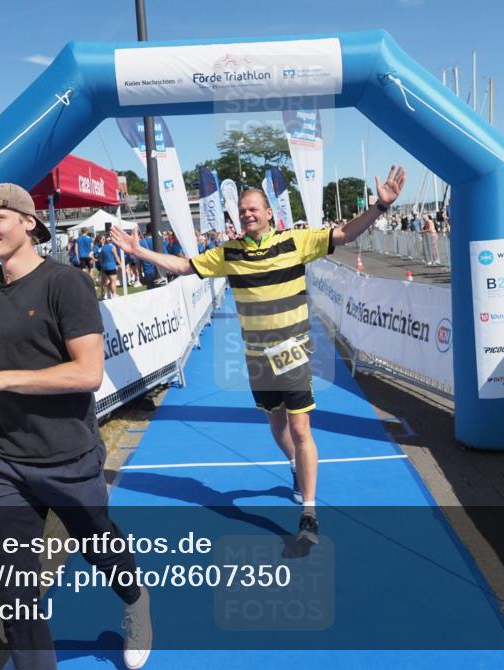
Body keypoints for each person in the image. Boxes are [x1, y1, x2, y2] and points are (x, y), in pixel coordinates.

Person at [0, 184, 151, 670]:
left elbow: (87, 373)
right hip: (5, 461)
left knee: (101, 548)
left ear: (27, 222)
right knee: (14, 591)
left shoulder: (65, 283)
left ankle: (136, 600)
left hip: (68, 456)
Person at [111, 166, 406, 544]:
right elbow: (185, 266)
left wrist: (380, 206)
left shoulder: (297, 241)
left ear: (270, 214)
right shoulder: (229, 253)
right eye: (243, 210)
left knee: (301, 429)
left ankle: (309, 514)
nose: (248, 214)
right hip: (257, 358)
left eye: (254, 209)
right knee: (277, 426)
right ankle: (295, 466)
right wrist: (139, 251)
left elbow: (345, 233)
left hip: (294, 353)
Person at [139, 223, 167, 289]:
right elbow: (166, 256)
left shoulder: (141, 243)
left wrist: (140, 275)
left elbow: (138, 261)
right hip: (161, 272)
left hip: (148, 273)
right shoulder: (159, 242)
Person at [98, 231, 121, 299]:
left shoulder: (102, 248)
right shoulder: (113, 247)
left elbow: (101, 259)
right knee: (113, 282)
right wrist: (120, 264)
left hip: (105, 267)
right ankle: (114, 294)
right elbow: (116, 257)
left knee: (108, 282)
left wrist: (102, 266)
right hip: (111, 266)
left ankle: (108, 294)